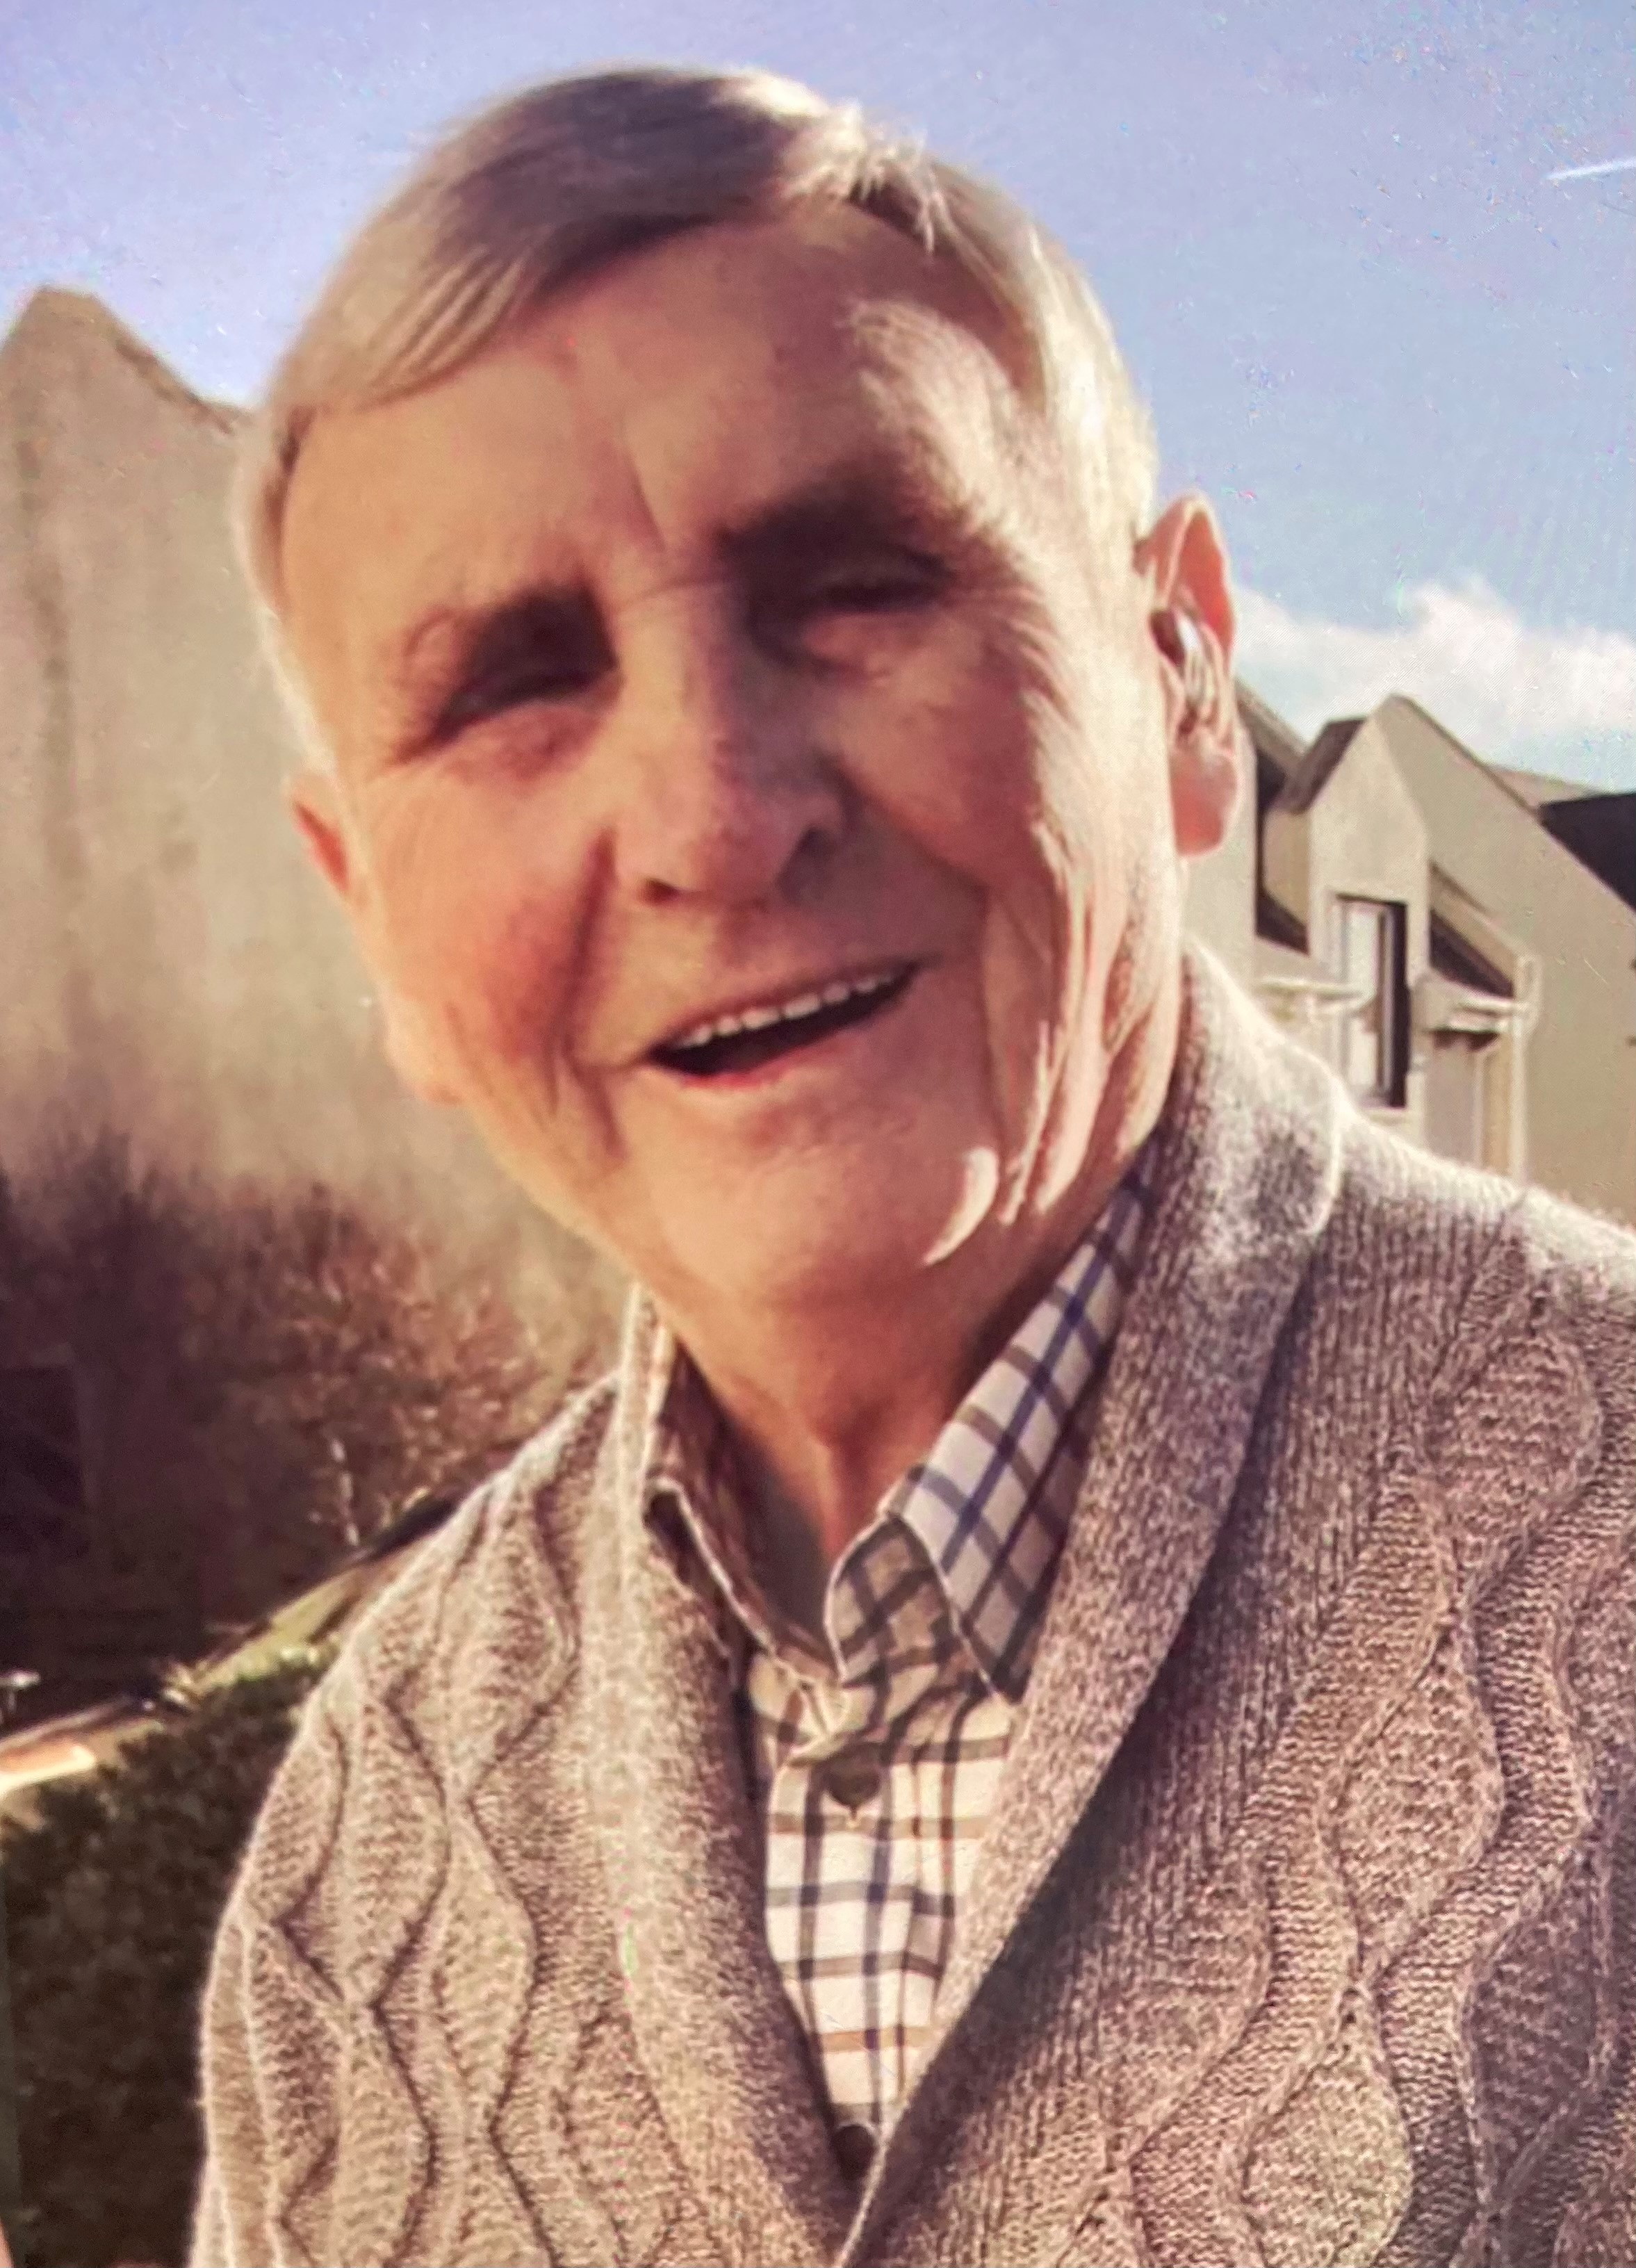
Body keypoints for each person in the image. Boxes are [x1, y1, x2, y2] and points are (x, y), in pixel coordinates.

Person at [188, 66, 1635, 2268]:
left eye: (854, 588)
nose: (712, 816)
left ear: (1179, 676)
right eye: (513, 685)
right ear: (365, 916)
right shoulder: (369, 1834)